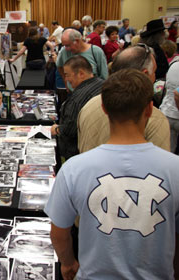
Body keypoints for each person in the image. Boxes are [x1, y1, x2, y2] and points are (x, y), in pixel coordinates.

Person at [45, 68, 179, 280]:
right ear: (150, 109)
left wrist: (68, 263)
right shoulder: (175, 169)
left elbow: (59, 232)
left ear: (104, 108)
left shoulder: (74, 169)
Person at [78, 45, 171, 153]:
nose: (155, 78)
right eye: (154, 72)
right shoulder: (155, 118)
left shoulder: (89, 106)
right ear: (145, 74)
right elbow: (159, 166)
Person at [50, 56, 104, 160]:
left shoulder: (77, 98)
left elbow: (69, 129)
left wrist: (57, 129)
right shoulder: (102, 84)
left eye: (67, 75)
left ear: (81, 74)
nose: (66, 79)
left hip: (77, 153)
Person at [160, 57, 179, 153]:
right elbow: (177, 94)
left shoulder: (173, 63)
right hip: (176, 113)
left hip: (166, 111)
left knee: (167, 150)